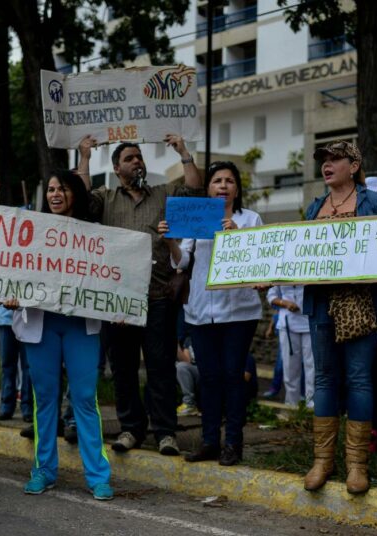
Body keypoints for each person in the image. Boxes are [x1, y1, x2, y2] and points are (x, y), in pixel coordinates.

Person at [78, 134, 203, 456]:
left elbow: (194, 191)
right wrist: (85, 157)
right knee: (123, 368)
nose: (137, 162)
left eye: (139, 158)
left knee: (161, 367)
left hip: (158, 297)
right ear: (117, 168)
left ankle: (165, 433)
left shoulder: (163, 194)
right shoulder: (105, 199)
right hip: (118, 301)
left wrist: (183, 152)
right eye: (130, 158)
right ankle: (131, 429)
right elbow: (78, 200)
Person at [9, 169, 112, 500]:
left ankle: (97, 475)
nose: (54, 194)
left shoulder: (95, 234)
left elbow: (109, 278)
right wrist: (10, 292)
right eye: (51, 189)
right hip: (43, 326)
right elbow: (12, 270)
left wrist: (121, 305)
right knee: (45, 400)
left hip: (81, 326)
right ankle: (43, 470)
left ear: (75, 195)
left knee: (84, 399)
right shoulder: (33, 231)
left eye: (62, 189)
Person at [158, 160, 263, 466]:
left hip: (239, 313)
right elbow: (182, 262)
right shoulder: (198, 219)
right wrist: (169, 242)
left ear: (237, 189)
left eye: (230, 181)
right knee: (210, 377)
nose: (223, 186)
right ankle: (208, 442)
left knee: (233, 375)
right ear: (208, 188)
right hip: (201, 312)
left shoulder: (250, 219)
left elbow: (260, 261)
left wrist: (237, 235)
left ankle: (233, 442)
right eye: (217, 180)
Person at [302, 141, 377, 494]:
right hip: (321, 301)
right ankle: (322, 461)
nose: (327, 164)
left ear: (353, 166)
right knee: (324, 378)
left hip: (362, 301)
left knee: (358, 379)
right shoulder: (314, 206)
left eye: (335, 158)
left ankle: (357, 465)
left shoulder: (374, 203)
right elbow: (298, 253)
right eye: (324, 160)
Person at [266, 285, 314, 409]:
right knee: (289, 367)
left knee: (312, 367)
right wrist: (284, 303)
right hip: (288, 323)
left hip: (310, 321)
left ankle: (312, 407)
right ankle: (291, 406)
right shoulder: (280, 269)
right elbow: (271, 296)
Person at [0, 304, 32, 422]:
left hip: (27, 319)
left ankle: (23, 406)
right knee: (8, 365)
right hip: (7, 319)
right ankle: (10, 406)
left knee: (26, 366)